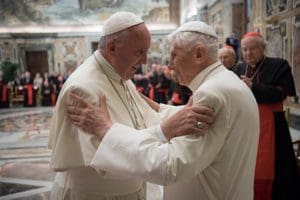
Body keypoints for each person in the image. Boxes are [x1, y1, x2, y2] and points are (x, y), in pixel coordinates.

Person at [67, 21, 260, 200]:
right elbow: (188, 116)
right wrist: (146, 102)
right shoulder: (228, 82)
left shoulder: (211, 94)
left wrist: (106, 130)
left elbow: (171, 166)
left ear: (199, 54)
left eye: (174, 55)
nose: (170, 65)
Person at [48, 12, 214, 200]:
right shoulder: (82, 88)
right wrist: (166, 130)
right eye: (139, 52)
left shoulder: (122, 77)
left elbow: (147, 120)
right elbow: (108, 162)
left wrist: (185, 113)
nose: (144, 61)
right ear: (112, 48)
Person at [233, 31, 299, 200]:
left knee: (277, 169)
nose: (248, 53)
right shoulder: (238, 69)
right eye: (245, 50)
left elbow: (280, 94)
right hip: (245, 126)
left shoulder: (279, 65)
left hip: (273, 127)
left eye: (253, 49)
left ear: (263, 48)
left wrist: (253, 87)